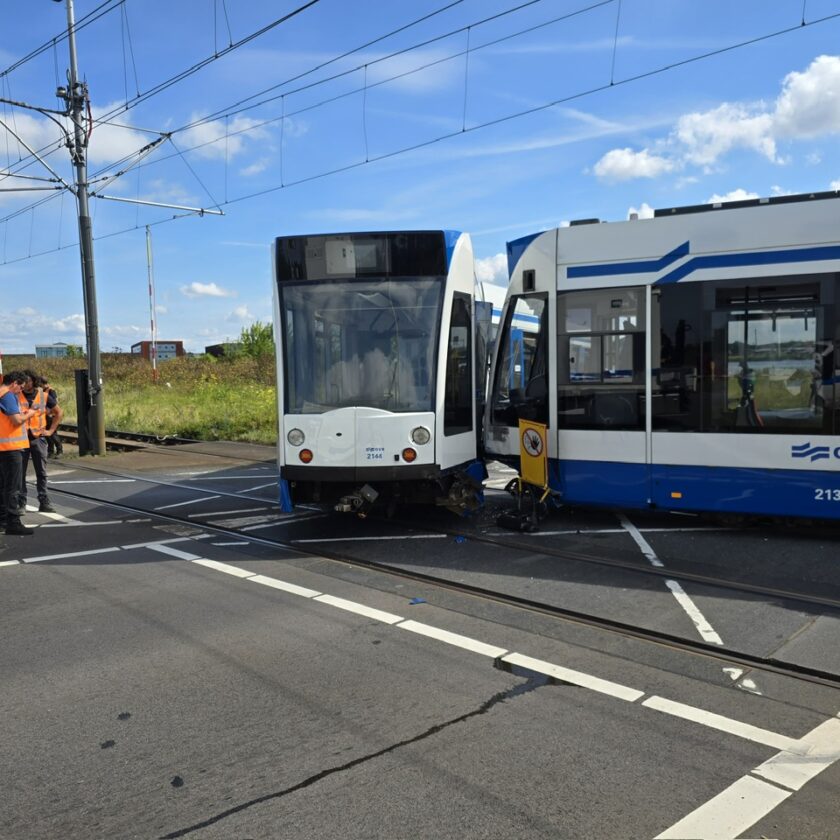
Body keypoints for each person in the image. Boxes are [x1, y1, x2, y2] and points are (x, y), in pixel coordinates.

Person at [0, 371, 37, 536]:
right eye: (20, 387)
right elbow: (15, 420)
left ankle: (2, 520)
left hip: (2, 448)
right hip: (11, 448)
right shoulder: (8, 396)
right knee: (13, 487)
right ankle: (13, 523)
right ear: (14, 383)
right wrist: (29, 414)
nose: (20, 391)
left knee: (3, 486)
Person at [19, 371, 57, 514]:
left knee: (41, 472)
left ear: (33, 381)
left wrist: (50, 431)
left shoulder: (43, 396)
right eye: (23, 381)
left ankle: (44, 501)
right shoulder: (17, 395)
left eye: (27, 381)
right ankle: (21, 502)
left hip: (38, 439)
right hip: (21, 440)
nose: (24, 384)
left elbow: (58, 412)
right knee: (20, 474)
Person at [42, 377, 64, 459]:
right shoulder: (43, 391)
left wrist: (50, 412)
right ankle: (50, 451)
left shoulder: (51, 391)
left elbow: (54, 403)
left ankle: (59, 450)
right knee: (47, 434)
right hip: (45, 415)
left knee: (53, 434)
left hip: (51, 415)